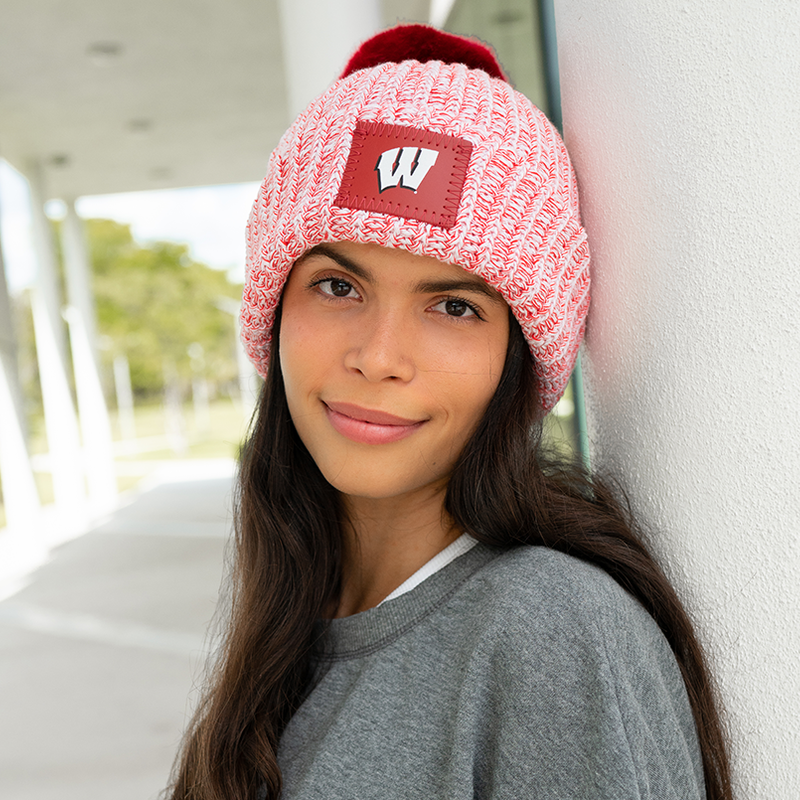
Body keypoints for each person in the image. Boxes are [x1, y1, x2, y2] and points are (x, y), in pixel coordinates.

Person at [166, 24, 731, 800]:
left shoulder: (549, 631)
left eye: (455, 306)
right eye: (337, 286)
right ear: (275, 313)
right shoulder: (296, 611)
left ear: (516, 358)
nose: (379, 356)